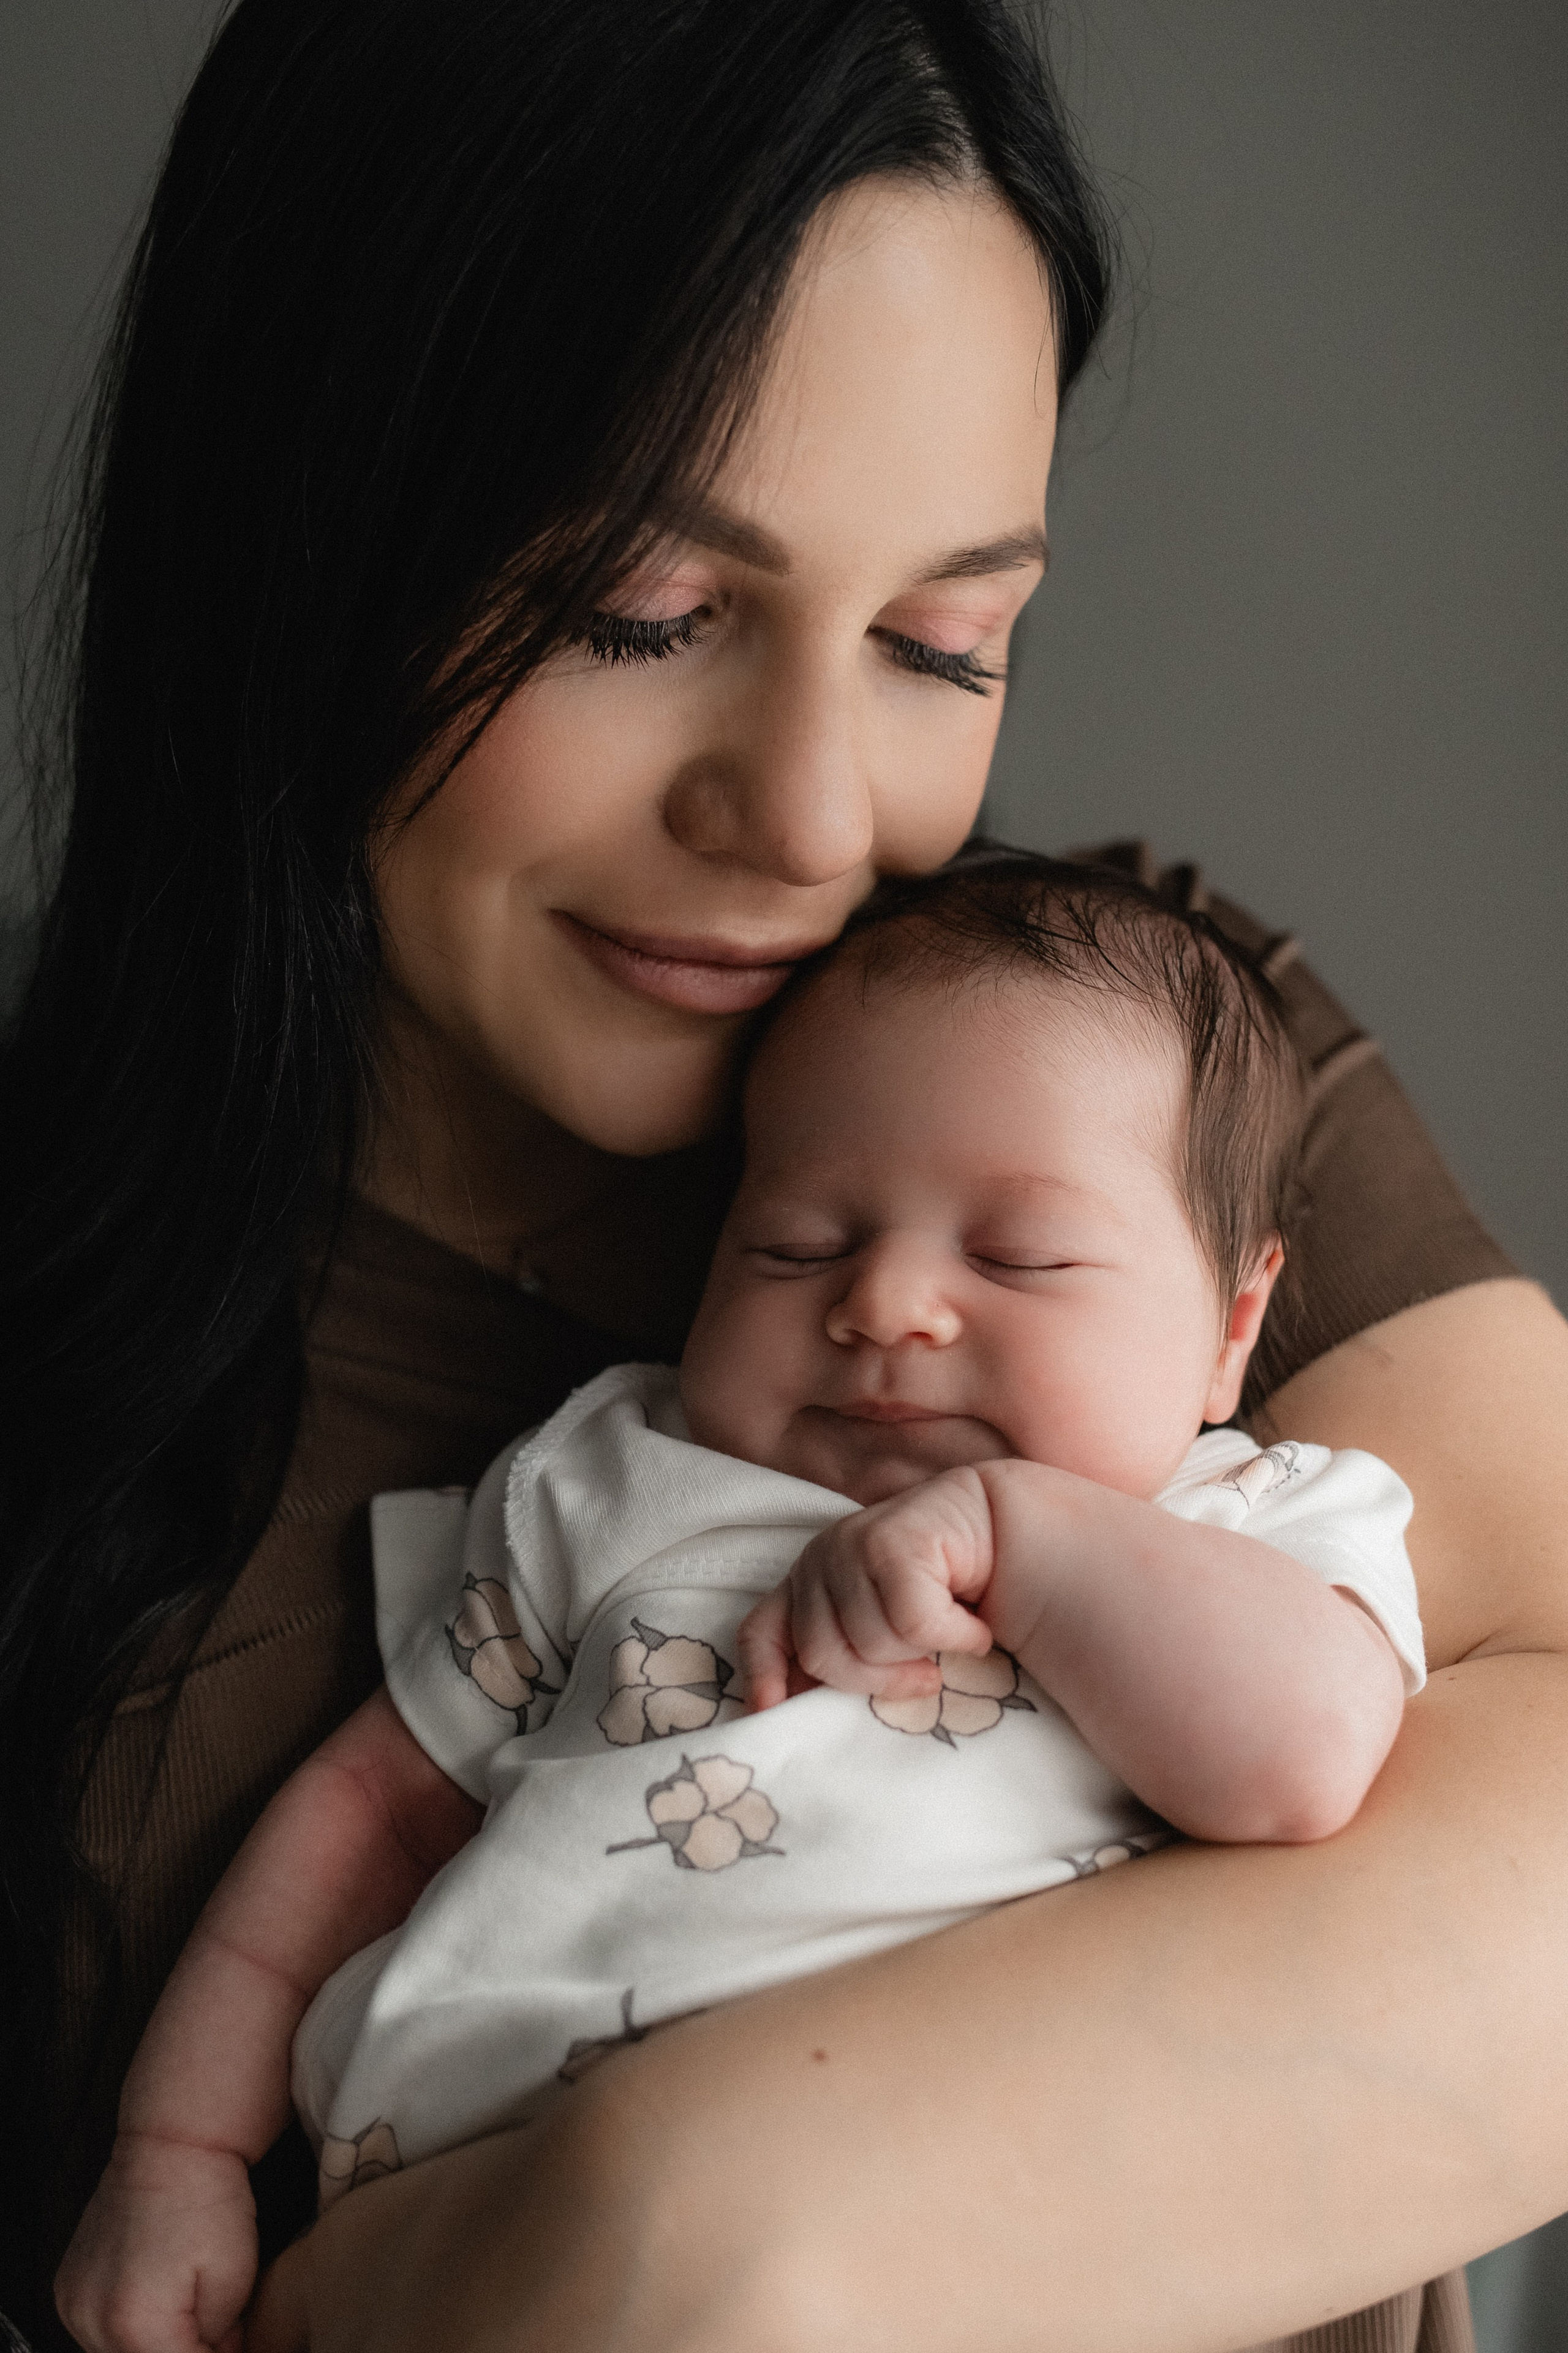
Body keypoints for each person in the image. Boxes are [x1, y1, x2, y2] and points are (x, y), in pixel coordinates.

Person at [3, 4, 1564, 2351]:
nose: (822, 826)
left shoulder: (1124, 1061)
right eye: (643, 617)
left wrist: (661, 2238)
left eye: (948, 644)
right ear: (304, 527)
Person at [55, 861, 1427, 2351]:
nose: (884, 1303)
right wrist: (174, 2158)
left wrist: (1015, 1530)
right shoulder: (618, 1477)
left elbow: (1301, 1761)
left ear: (1230, 1330)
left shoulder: (1242, 1519)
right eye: (798, 1243)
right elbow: (370, 1817)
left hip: (986, 2252)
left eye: (1016, 1255)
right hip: (472, 2252)